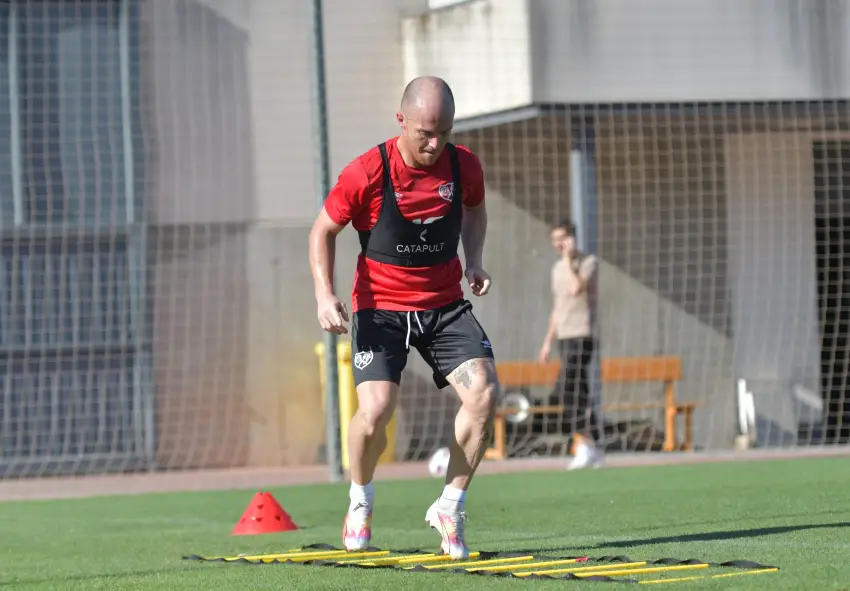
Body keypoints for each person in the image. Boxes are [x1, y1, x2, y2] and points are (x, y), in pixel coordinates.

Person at [308, 76, 499, 560]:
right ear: (402, 122)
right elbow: (322, 231)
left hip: (443, 305)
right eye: (425, 133)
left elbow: (475, 210)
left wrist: (473, 259)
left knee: (484, 394)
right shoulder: (368, 172)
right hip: (381, 309)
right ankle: (360, 500)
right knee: (375, 412)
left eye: (444, 133)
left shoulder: (464, 165)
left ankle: (450, 506)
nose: (435, 144)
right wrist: (324, 293)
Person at [537, 219, 604, 470]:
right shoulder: (555, 270)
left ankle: (584, 444)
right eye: (554, 240)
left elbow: (577, 288)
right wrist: (547, 341)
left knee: (567, 387)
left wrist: (568, 260)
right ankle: (593, 444)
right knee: (580, 391)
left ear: (572, 239)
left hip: (582, 334)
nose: (558, 244)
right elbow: (558, 307)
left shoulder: (588, 263)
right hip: (563, 336)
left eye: (562, 239)